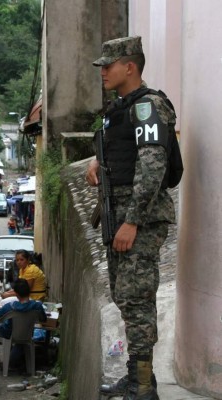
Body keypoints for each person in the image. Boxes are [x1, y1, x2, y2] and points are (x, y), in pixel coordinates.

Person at [87, 36, 175, 400]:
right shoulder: (119, 108)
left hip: (138, 218)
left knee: (136, 299)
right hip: (118, 214)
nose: (103, 71)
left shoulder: (148, 106)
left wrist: (133, 221)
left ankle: (142, 387)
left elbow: (153, 167)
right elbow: (124, 150)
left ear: (130, 66)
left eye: (109, 64)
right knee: (124, 297)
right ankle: (137, 377)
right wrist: (97, 159)